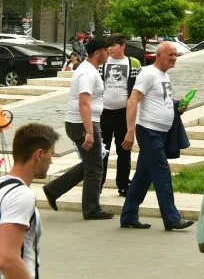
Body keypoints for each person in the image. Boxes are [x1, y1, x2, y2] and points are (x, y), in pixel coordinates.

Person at [120, 42, 194, 231]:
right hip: (149, 132)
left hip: (161, 133)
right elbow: (132, 101)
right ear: (159, 55)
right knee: (162, 175)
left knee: (143, 176)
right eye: (171, 54)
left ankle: (128, 215)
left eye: (176, 55)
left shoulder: (164, 75)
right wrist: (130, 131)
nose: (174, 58)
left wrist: (178, 106)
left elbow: (162, 101)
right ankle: (172, 218)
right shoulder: (148, 74)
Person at [43, 37, 112, 220]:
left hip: (84, 123)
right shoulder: (87, 73)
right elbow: (84, 103)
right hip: (82, 124)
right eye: (106, 50)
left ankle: (53, 189)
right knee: (95, 166)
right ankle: (91, 209)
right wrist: (89, 132)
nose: (108, 54)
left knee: (92, 163)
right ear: (97, 52)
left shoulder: (90, 70)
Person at [0, 123, 58, 279]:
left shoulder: (3, 187)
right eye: (51, 154)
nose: (51, 162)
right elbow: (7, 258)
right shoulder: (22, 195)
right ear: (39, 154)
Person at [100, 34, 142, 197]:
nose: (109, 48)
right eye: (108, 46)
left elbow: (138, 88)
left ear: (123, 46)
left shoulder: (133, 63)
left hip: (124, 113)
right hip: (104, 112)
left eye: (113, 45)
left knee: (124, 149)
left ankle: (124, 184)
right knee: (103, 150)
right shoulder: (103, 63)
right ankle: (98, 184)